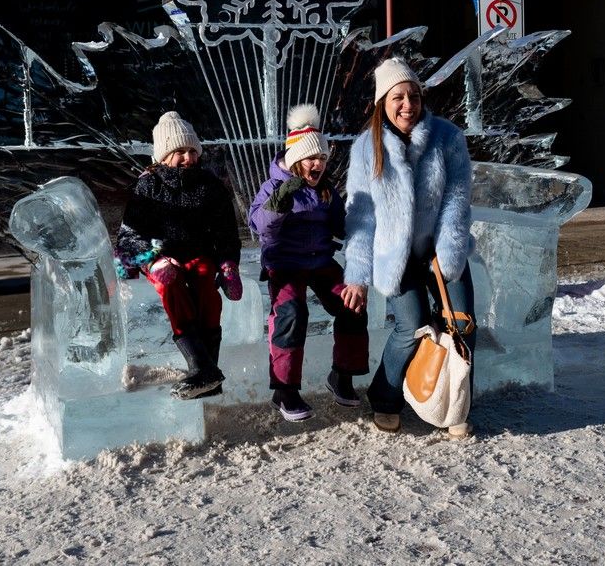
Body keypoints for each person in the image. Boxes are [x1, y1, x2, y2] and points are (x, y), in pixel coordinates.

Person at [341, 56, 476, 438]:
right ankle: (384, 397)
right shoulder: (367, 147)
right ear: (382, 102)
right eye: (397, 97)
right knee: (412, 327)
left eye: (413, 96)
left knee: (462, 325)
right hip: (395, 260)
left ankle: (457, 406)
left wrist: (448, 249)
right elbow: (361, 215)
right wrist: (358, 276)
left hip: (442, 252)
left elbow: (457, 197)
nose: (407, 105)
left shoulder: (447, 137)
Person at [249, 104, 369, 422]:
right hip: (285, 263)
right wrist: (278, 205)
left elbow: (341, 225)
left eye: (322, 158)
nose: (318, 163)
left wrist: (363, 218)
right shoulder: (275, 187)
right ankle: (284, 390)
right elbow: (259, 226)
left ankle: (342, 375)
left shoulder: (326, 190)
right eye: (311, 158)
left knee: (352, 304)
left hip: (320, 260)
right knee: (291, 313)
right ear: (295, 159)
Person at [116, 111, 242, 399]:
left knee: (205, 282)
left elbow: (225, 230)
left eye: (192, 151)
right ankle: (201, 366)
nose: (188, 157)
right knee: (171, 284)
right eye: (179, 152)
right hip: (160, 257)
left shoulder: (210, 186)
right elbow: (128, 237)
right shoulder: (148, 186)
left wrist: (227, 263)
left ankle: (209, 374)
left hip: (197, 254)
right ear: (163, 156)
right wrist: (152, 259)